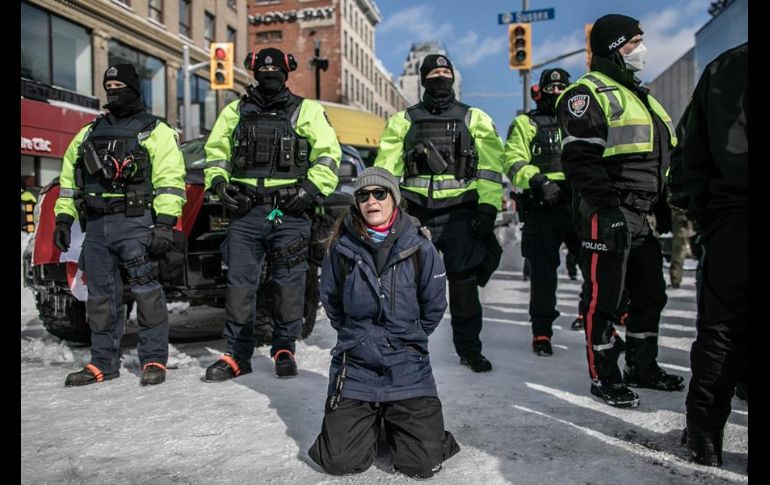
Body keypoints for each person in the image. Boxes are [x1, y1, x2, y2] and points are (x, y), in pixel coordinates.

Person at [555, 14, 684, 408]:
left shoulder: (643, 96)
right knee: (605, 299)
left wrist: (661, 205)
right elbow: (581, 160)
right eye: (634, 43)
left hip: (642, 216)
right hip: (608, 212)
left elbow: (658, 159)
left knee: (650, 295)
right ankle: (605, 376)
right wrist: (607, 209)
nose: (641, 50)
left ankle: (642, 367)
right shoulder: (587, 93)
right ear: (613, 48)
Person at [308, 167, 460, 478]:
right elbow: (332, 302)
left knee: (422, 464)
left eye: (380, 193)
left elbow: (433, 306)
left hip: (407, 366)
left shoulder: (421, 248)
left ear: (394, 199)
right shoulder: (341, 249)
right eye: (363, 195)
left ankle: (400, 426)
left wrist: (406, 339)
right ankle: (372, 423)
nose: (371, 201)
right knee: (338, 461)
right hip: (357, 367)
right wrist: (359, 337)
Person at [203, 47, 340, 380]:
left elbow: (328, 155)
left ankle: (284, 348)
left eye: (275, 70)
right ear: (253, 71)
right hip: (245, 213)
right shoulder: (234, 111)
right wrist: (220, 185)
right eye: (262, 70)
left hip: (290, 212)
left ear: (287, 71)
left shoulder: (306, 110)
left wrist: (309, 191)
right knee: (239, 285)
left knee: (290, 284)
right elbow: (216, 153)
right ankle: (237, 354)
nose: (268, 75)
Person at [55, 63, 186, 387]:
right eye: (108, 85)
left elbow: (170, 180)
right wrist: (63, 217)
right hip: (97, 227)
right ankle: (102, 363)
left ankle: (154, 358)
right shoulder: (87, 133)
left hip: (136, 223)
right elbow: (69, 181)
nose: (113, 90)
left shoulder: (155, 130)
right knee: (100, 298)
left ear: (134, 88)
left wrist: (165, 223)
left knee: (147, 294)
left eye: (119, 85)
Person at [374, 54, 505, 372]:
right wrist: (383, 209)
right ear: (423, 79)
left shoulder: (474, 117)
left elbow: (490, 166)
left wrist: (488, 207)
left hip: (461, 213)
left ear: (453, 78)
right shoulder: (403, 121)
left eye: (446, 71)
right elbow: (386, 169)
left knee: (464, 286)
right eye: (434, 73)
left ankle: (470, 350)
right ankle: (408, 349)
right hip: (417, 214)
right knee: (410, 288)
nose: (441, 77)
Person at [680, 42, 747, 468]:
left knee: (721, 330)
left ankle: (704, 436)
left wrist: (707, 217)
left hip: (733, 220)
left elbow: (691, 153)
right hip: (729, 215)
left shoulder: (723, 67)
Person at [502, 68, 580, 356]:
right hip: (543, 206)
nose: (557, 94)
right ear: (541, 91)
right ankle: (542, 332)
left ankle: (593, 318)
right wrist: (538, 180)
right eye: (552, 88)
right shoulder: (526, 123)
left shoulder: (584, 121)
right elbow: (511, 159)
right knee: (544, 275)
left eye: (563, 88)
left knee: (597, 268)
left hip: (578, 204)